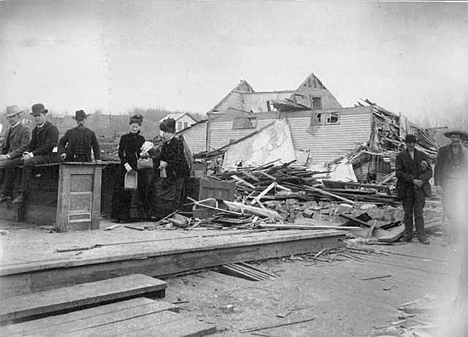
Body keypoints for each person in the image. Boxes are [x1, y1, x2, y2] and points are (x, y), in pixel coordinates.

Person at [0, 103, 59, 204]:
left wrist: (31, 155)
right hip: (37, 155)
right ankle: (6, 193)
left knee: (28, 163)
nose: (37, 118)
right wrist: (27, 152)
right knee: (11, 163)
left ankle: (23, 194)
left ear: (45, 114)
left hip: (48, 156)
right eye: (35, 116)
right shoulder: (36, 129)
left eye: (39, 115)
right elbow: (31, 145)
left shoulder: (52, 129)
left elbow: (49, 146)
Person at [146, 118, 190, 220]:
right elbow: (162, 157)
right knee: (163, 192)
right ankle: (164, 214)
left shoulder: (178, 142)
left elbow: (178, 158)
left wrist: (167, 163)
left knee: (176, 195)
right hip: (169, 173)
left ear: (172, 132)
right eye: (164, 132)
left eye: (167, 132)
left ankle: (174, 215)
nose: (164, 134)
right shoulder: (165, 144)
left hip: (178, 172)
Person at [111, 114, 151, 223]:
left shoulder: (142, 139)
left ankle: (140, 215)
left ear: (139, 127)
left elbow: (143, 153)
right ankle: (123, 216)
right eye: (132, 126)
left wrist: (144, 154)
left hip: (138, 167)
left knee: (141, 190)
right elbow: (120, 153)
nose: (134, 128)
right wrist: (125, 164)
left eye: (136, 127)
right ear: (130, 126)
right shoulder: (124, 138)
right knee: (125, 191)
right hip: (126, 167)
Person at [395, 134, 432, 244]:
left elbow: (430, 171)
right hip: (406, 189)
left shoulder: (422, 155)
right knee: (408, 214)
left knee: (419, 213)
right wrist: (412, 180)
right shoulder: (400, 156)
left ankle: (422, 235)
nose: (411, 145)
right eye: (408, 143)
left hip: (419, 189)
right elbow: (398, 173)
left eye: (412, 143)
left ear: (415, 143)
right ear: (405, 143)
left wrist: (421, 180)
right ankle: (408, 235)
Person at [434, 130, 468, 244]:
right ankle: (446, 238)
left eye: (457, 137)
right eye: (453, 137)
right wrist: (438, 184)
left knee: (460, 210)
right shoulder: (443, 151)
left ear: (460, 138)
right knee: (447, 210)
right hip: (447, 183)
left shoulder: (465, 152)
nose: (455, 139)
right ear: (450, 138)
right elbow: (438, 168)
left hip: (461, 185)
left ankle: (458, 238)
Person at [0, 105, 30, 190]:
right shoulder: (8, 130)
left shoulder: (24, 129)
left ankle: (5, 193)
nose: (11, 119)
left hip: (18, 157)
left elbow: (24, 147)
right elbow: (4, 147)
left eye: (13, 116)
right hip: (7, 157)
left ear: (19, 116)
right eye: (9, 117)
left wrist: (7, 156)